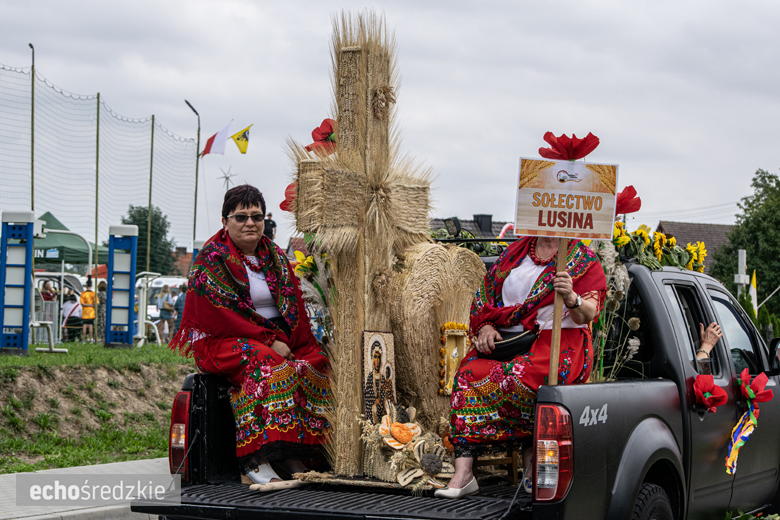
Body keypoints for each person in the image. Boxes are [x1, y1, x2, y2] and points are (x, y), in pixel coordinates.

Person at [170, 184, 331, 489]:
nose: (250, 223)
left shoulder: (276, 257)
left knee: (317, 361)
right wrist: (270, 341)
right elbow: (223, 315)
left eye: (256, 216)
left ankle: (291, 453)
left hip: (276, 339)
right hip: (223, 341)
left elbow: (293, 308)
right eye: (241, 217)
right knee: (265, 362)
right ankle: (257, 458)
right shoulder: (211, 260)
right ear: (225, 221)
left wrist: (295, 344)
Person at [436, 236, 606, 498]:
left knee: (524, 377)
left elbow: (589, 313)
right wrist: (486, 326)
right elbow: (484, 301)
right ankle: (464, 474)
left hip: (558, 341)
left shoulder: (583, 260)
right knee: (467, 374)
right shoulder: (514, 253)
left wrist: (572, 298)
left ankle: (533, 464)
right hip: (508, 341)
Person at [363, 339, 394, 423]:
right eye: (375, 357)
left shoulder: (383, 378)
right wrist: (375, 401)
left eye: (379, 357)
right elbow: (368, 398)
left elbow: (388, 395)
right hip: (373, 414)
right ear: (372, 359)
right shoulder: (369, 378)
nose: (377, 360)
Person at [80, 276, 97, 343]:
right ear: (91, 285)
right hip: (91, 312)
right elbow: (96, 303)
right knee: (90, 326)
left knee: (84, 326)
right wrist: (91, 305)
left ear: (86, 285)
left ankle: (84, 339)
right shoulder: (93, 294)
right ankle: (90, 339)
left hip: (84, 312)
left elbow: (82, 303)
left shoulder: (83, 293)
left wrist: (87, 305)